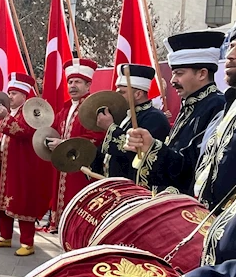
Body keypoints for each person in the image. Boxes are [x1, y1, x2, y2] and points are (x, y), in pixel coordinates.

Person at [130, 36, 236, 209]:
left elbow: (194, 166)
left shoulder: (216, 105)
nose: (173, 81)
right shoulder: (191, 105)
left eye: (179, 74)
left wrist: (153, 147)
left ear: (202, 73)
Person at [0, 73, 51, 256]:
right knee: (2, 201)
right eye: (9, 92)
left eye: (14, 93)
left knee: (22, 201)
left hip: (22, 166)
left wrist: (6, 117)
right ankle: (5, 237)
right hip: (5, 165)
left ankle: (27, 242)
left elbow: (24, 131)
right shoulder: (12, 113)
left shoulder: (31, 112)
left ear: (24, 95)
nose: (10, 96)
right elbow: (0, 133)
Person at [46, 58, 106, 231]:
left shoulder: (93, 108)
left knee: (78, 204)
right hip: (63, 165)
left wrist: (64, 144)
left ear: (88, 85)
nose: (72, 85)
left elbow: (97, 136)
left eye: (77, 82)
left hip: (83, 167)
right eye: (70, 82)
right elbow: (53, 130)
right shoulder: (64, 109)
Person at [94, 64, 170, 183]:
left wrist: (110, 127)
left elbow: (135, 150)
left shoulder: (155, 118)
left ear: (138, 94)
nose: (116, 97)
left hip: (137, 189)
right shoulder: (125, 115)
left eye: (122, 92)